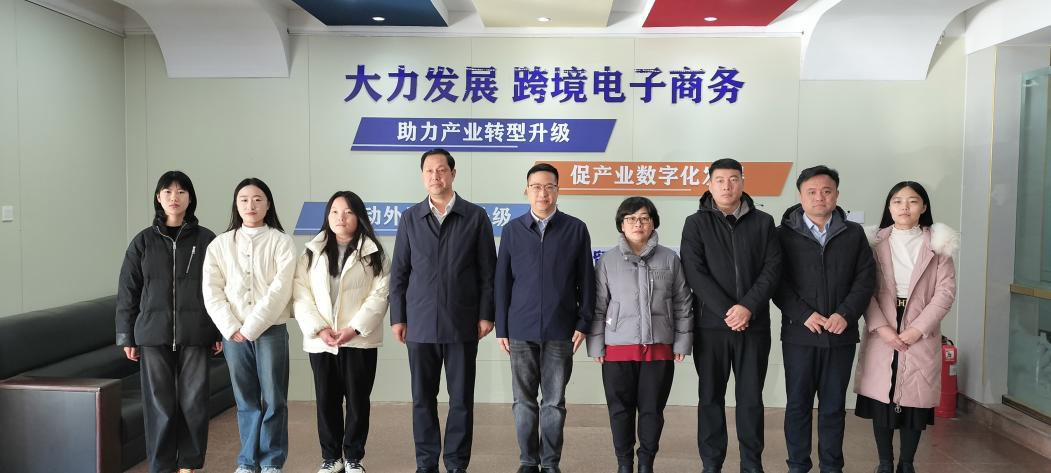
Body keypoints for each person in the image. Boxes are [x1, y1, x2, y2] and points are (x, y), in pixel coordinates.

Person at [388, 148, 498, 473]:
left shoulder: (475, 216)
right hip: (419, 324)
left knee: (461, 399)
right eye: (429, 171)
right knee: (422, 399)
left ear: (453, 173)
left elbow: (488, 273)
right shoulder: (410, 218)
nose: (435, 176)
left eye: (441, 170)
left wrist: (486, 314)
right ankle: (426, 464)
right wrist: (398, 317)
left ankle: (456, 464)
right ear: (422, 176)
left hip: (462, 323)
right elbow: (399, 273)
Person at [680, 158, 782, 473]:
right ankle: (712, 463)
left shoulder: (763, 222)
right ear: (709, 184)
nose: (727, 186)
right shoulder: (695, 223)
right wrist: (729, 311)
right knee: (710, 398)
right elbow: (694, 272)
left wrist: (747, 307)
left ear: (742, 182)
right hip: (711, 327)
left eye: (733, 179)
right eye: (720, 180)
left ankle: (751, 464)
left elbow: (772, 268)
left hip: (754, 326)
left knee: (751, 399)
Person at [116, 171, 220, 473]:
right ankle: (161, 466)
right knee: (158, 405)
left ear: (191, 198)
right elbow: (128, 291)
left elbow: (218, 289)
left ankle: (188, 464)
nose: (174, 197)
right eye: (168, 191)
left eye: (181, 192)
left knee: (194, 403)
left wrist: (218, 330)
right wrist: (126, 336)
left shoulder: (207, 240)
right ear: (158, 198)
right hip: (153, 335)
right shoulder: (143, 242)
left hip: (196, 333)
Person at [774, 165, 876, 473]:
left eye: (827, 191)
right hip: (800, 335)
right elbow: (775, 282)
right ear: (800, 196)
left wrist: (845, 313)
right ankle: (797, 465)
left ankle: (832, 466)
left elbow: (865, 279)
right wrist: (804, 314)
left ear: (837, 195)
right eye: (812, 192)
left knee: (833, 407)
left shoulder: (853, 233)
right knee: (798, 405)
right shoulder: (782, 235)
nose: (820, 197)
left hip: (840, 335)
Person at [494, 163, 595, 473]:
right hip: (520, 329)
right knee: (523, 402)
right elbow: (502, 282)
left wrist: (583, 322)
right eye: (536, 187)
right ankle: (528, 461)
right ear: (526, 191)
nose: (543, 193)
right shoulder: (512, 230)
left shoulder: (575, 229)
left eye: (549, 187)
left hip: (561, 329)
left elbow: (586, 280)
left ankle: (550, 463)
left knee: (553, 403)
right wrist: (502, 327)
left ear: (558, 191)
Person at [853, 181, 957, 473]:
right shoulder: (873, 243)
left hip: (920, 324)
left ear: (923, 207)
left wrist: (917, 330)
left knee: (914, 398)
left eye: (912, 201)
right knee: (881, 396)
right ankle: (885, 463)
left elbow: (945, 292)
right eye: (897, 201)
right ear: (889, 207)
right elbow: (863, 288)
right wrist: (882, 328)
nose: (904, 207)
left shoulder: (939, 245)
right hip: (883, 322)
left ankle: (907, 463)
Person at [588, 196, 693, 473]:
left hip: (659, 349)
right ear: (621, 225)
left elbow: (683, 302)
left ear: (653, 223)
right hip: (617, 349)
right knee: (619, 411)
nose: (638, 224)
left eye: (644, 218)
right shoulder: (607, 261)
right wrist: (596, 344)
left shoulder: (670, 259)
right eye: (631, 219)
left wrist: (682, 341)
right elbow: (598, 305)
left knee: (652, 411)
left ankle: (646, 462)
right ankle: (624, 463)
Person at [203, 178, 297, 473]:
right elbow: (211, 290)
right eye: (243, 199)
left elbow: (280, 290)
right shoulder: (220, 244)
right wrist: (231, 327)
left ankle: (271, 461)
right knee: (245, 399)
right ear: (236, 205)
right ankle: (247, 460)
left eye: (258, 199)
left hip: (271, 330)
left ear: (268, 204)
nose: (250, 205)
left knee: (274, 398)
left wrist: (251, 327)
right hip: (233, 333)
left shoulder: (281, 242)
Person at [293, 191, 391, 473]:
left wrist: (353, 328)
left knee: (358, 401)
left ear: (359, 216)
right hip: (321, 341)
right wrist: (319, 328)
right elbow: (301, 294)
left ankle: (353, 457)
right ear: (327, 216)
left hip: (358, 341)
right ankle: (331, 457)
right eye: (334, 211)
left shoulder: (374, 254)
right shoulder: (311, 253)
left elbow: (380, 295)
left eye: (348, 212)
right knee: (326, 400)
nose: (341, 217)